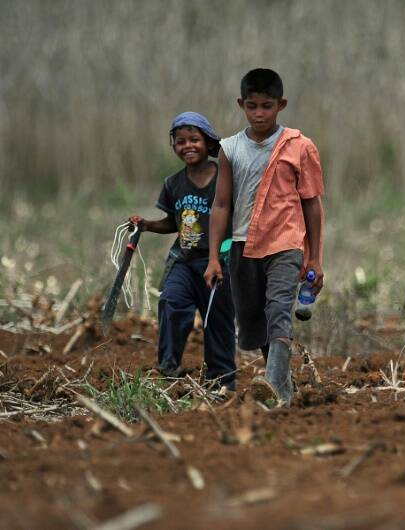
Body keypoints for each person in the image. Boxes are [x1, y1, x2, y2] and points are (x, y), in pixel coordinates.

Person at [205, 68, 324, 408]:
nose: (259, 114)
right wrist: (214, 256)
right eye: (253, 106)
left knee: (278, 310)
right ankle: (283, 389)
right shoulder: (230, 149)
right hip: (243, 246)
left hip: (286, 244)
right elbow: (222, 204)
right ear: (241, 104)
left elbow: (313, 205)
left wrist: (315, 257)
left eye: (267, 106)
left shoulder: (299, 147)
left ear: (281, 105)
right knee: (254, 319)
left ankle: (271, 379)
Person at [129, 112, 236, 391]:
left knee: (218, 321)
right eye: (180, 141)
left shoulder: (225, 178)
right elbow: (173, 223)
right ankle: (169, 366)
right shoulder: (173, 184)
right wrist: (147, 225)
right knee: (172, 304)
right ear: (173, 146)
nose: (187, 146)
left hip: (220, 260)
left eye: (194, 140)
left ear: (208, 142)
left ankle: (222, 381)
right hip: (184, 260)